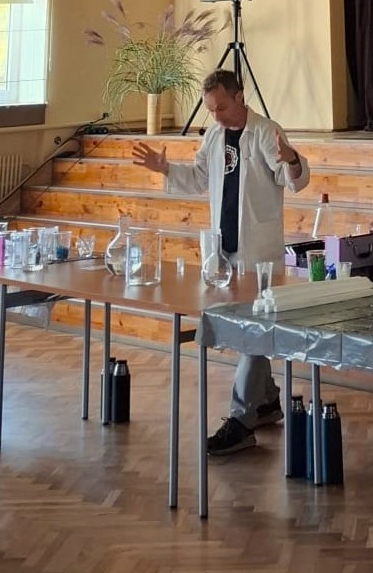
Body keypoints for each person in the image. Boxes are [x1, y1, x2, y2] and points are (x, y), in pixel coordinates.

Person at [133, 68, 310, 456]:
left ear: (240, 96)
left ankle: (241, 419)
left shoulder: (265, 132)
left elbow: (294, 179)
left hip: (257, 253)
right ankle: (267, 401)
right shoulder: (214, 135)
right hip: (224, 250)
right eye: (211, 110)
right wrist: (165, 168)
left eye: (222, 108)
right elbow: (199, 178)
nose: (216, 116)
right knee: (248, 330)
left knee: (252, 330)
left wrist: (293, 159)